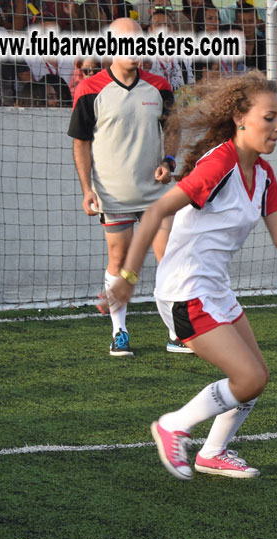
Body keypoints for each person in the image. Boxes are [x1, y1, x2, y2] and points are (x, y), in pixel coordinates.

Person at [107, 71, 277, 480]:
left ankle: (212, 452)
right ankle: (173, 425)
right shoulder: (219, 164)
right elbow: (155, 212)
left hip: (214, 289)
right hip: (185, 290)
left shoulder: (263, 174)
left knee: (256, 377)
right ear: (240, 118)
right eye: (269, 118)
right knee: (249, 378)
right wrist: (127, 277)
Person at [70, 17, 180, 357]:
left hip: (155, 194)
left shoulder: (159, 86)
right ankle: (119, 332)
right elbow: (81, 143)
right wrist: (87, 189)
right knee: (119, 260)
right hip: (113, 194)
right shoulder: (90, 89)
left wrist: (169, 161)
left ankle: (177, 333)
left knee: (169, 258)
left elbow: (173, 128)